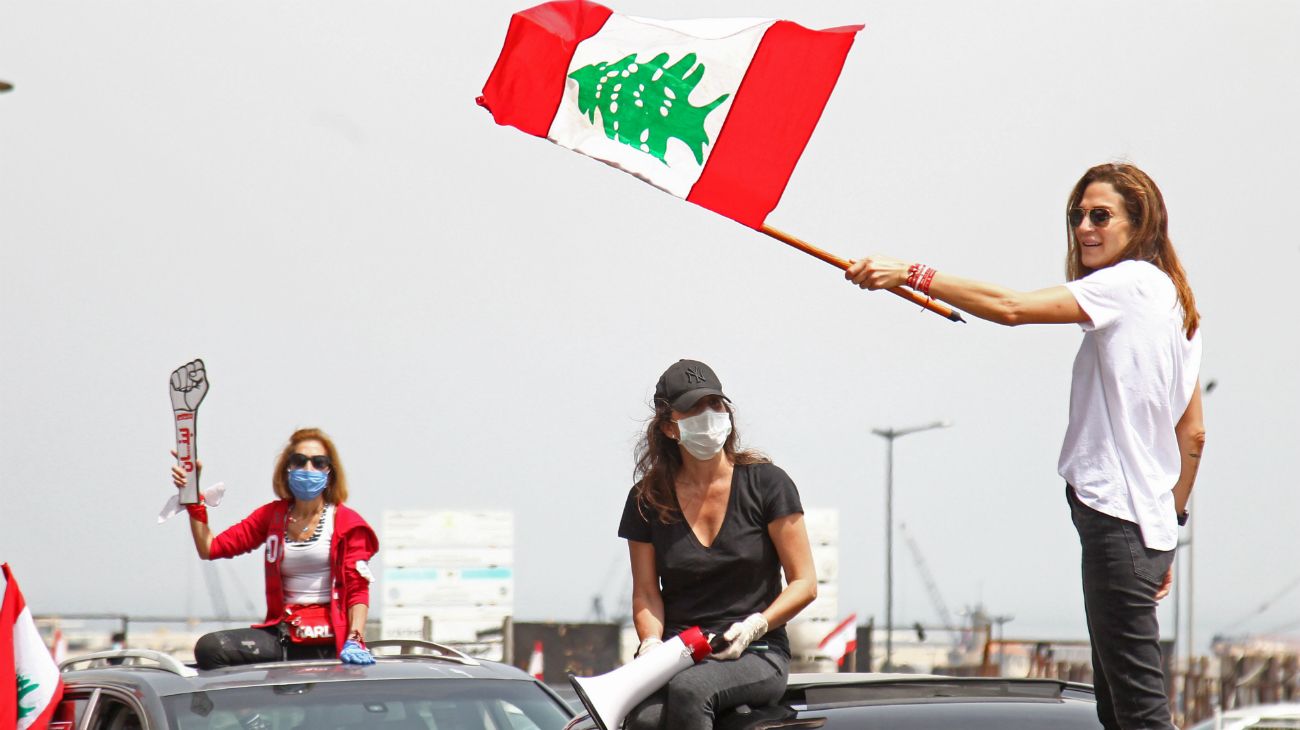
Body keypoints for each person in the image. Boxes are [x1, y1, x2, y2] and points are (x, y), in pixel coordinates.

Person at [845, 162, 1206, 730]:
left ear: (1140, 224)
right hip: (1143, 526)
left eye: (1101, 215)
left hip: (1117, 521)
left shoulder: (1127, 283)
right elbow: (1194, 434)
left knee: (1138, 715)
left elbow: (1011, 308)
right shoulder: (1178, 303)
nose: (1085, 227)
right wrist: (1168, 523)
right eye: (1077, 215)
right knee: (1119, 709)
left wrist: (909, 272)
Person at [619, 359, 818, 730]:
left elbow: (805, 584)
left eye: (715, 404)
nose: (709, 415)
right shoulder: (647, 498)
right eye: (694, 408)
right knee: (644, 720)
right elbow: (646, 593)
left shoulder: (768, 484)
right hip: (680, 654)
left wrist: (756, 625)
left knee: (693, 691)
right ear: (668, 427)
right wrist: (650, 644)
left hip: (757, 651)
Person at [171, 427, 379, 670]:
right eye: (299, 461)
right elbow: (210, 547)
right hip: (284, 634)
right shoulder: (272, 516)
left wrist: (355, 638)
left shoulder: (347, 522)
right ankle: (245, 709)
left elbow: (358, 589)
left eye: (318, 462)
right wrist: (192, 497)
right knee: (210, 648)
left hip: (331, 637)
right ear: (287, 468)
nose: (308, 469)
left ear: (330, 472)